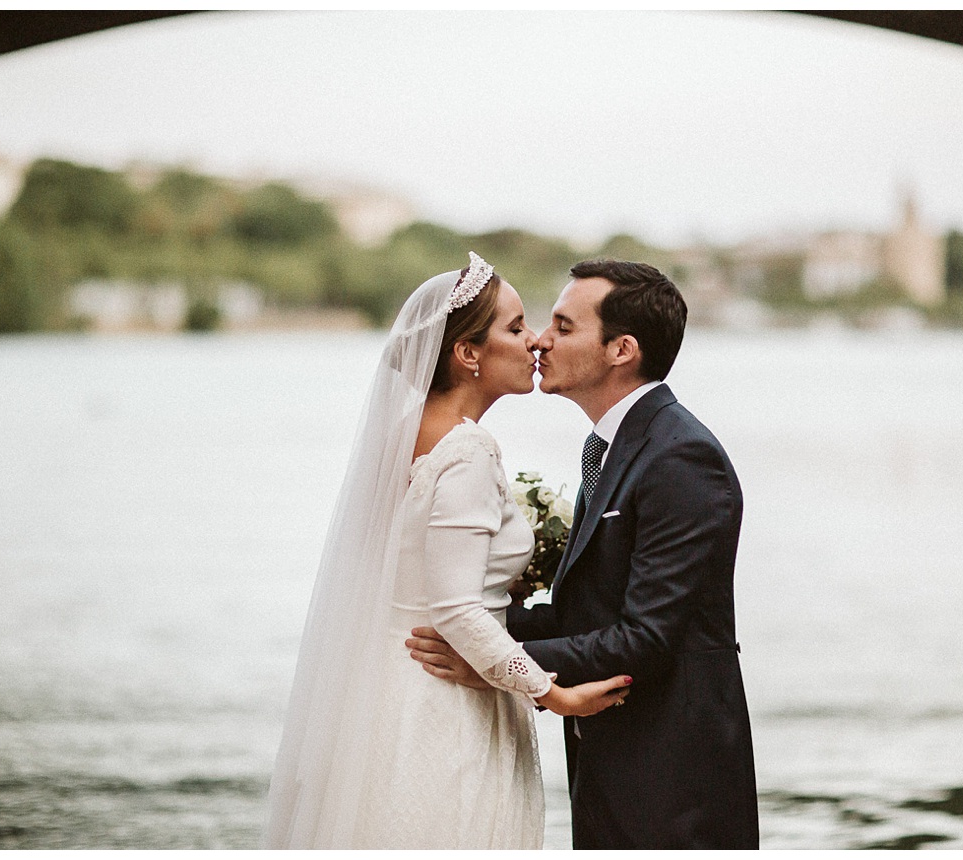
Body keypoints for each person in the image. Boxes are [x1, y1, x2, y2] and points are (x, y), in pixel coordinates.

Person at [263, 254, 632, 849]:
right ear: (468, 354)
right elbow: (459, 611)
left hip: (391, 690)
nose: (536, 339)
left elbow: (415, 567)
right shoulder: (467, 451)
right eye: (515, 328)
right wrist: (555, 695)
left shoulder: (407, 431)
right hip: (443, 704)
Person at [408, 260, 760, 849]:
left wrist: (499, 662)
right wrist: (477, 630)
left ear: (621, 350)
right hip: (611, 761)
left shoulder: (680, 458)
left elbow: (645, 636)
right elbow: (587, 608)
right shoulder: (611, 446)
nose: (542, 339)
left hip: (672, 776)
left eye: (564, 327)